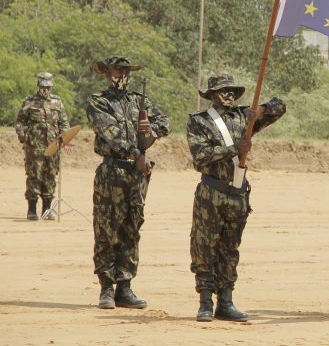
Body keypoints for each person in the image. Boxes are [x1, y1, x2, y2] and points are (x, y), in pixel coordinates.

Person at [186, 74, 286, 322]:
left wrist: (261, 110)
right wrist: (235, 149)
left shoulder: (243, 116)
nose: (229, 94)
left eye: (232, 90)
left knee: (230, 249)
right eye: (223, 90)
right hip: (211, 192)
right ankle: (205, 302)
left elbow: (280, 106)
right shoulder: (200, 121)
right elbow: (201, 156)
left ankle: (226, 302)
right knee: (204, 247)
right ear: (211, 94)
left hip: (237, 193)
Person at [86, 56, 170, 310]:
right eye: (116, 70)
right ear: (107, 73)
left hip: (136, 175)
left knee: (131, 229)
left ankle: (124, 286)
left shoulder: (138, 100)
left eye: (124, 70)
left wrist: (151, 130)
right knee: (107, 229)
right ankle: (106, 287)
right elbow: (109, 133)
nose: (121, 74)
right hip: (112, 172)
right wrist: (136, 153)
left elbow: (165, 121)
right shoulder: (99, 101)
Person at [15, 72, 70, 220]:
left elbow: (64, 123)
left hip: (53, 147)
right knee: (34, 176)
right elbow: (20, 122)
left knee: (50, 177)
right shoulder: (29, 102)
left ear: (51, 87)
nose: (45, 90)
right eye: (43, 87)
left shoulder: (57, 102)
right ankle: (32, 210)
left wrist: (65, 139)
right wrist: (23, 135)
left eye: (48, 87)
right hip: (34, 148)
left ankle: (47, 210)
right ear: (38, 86)